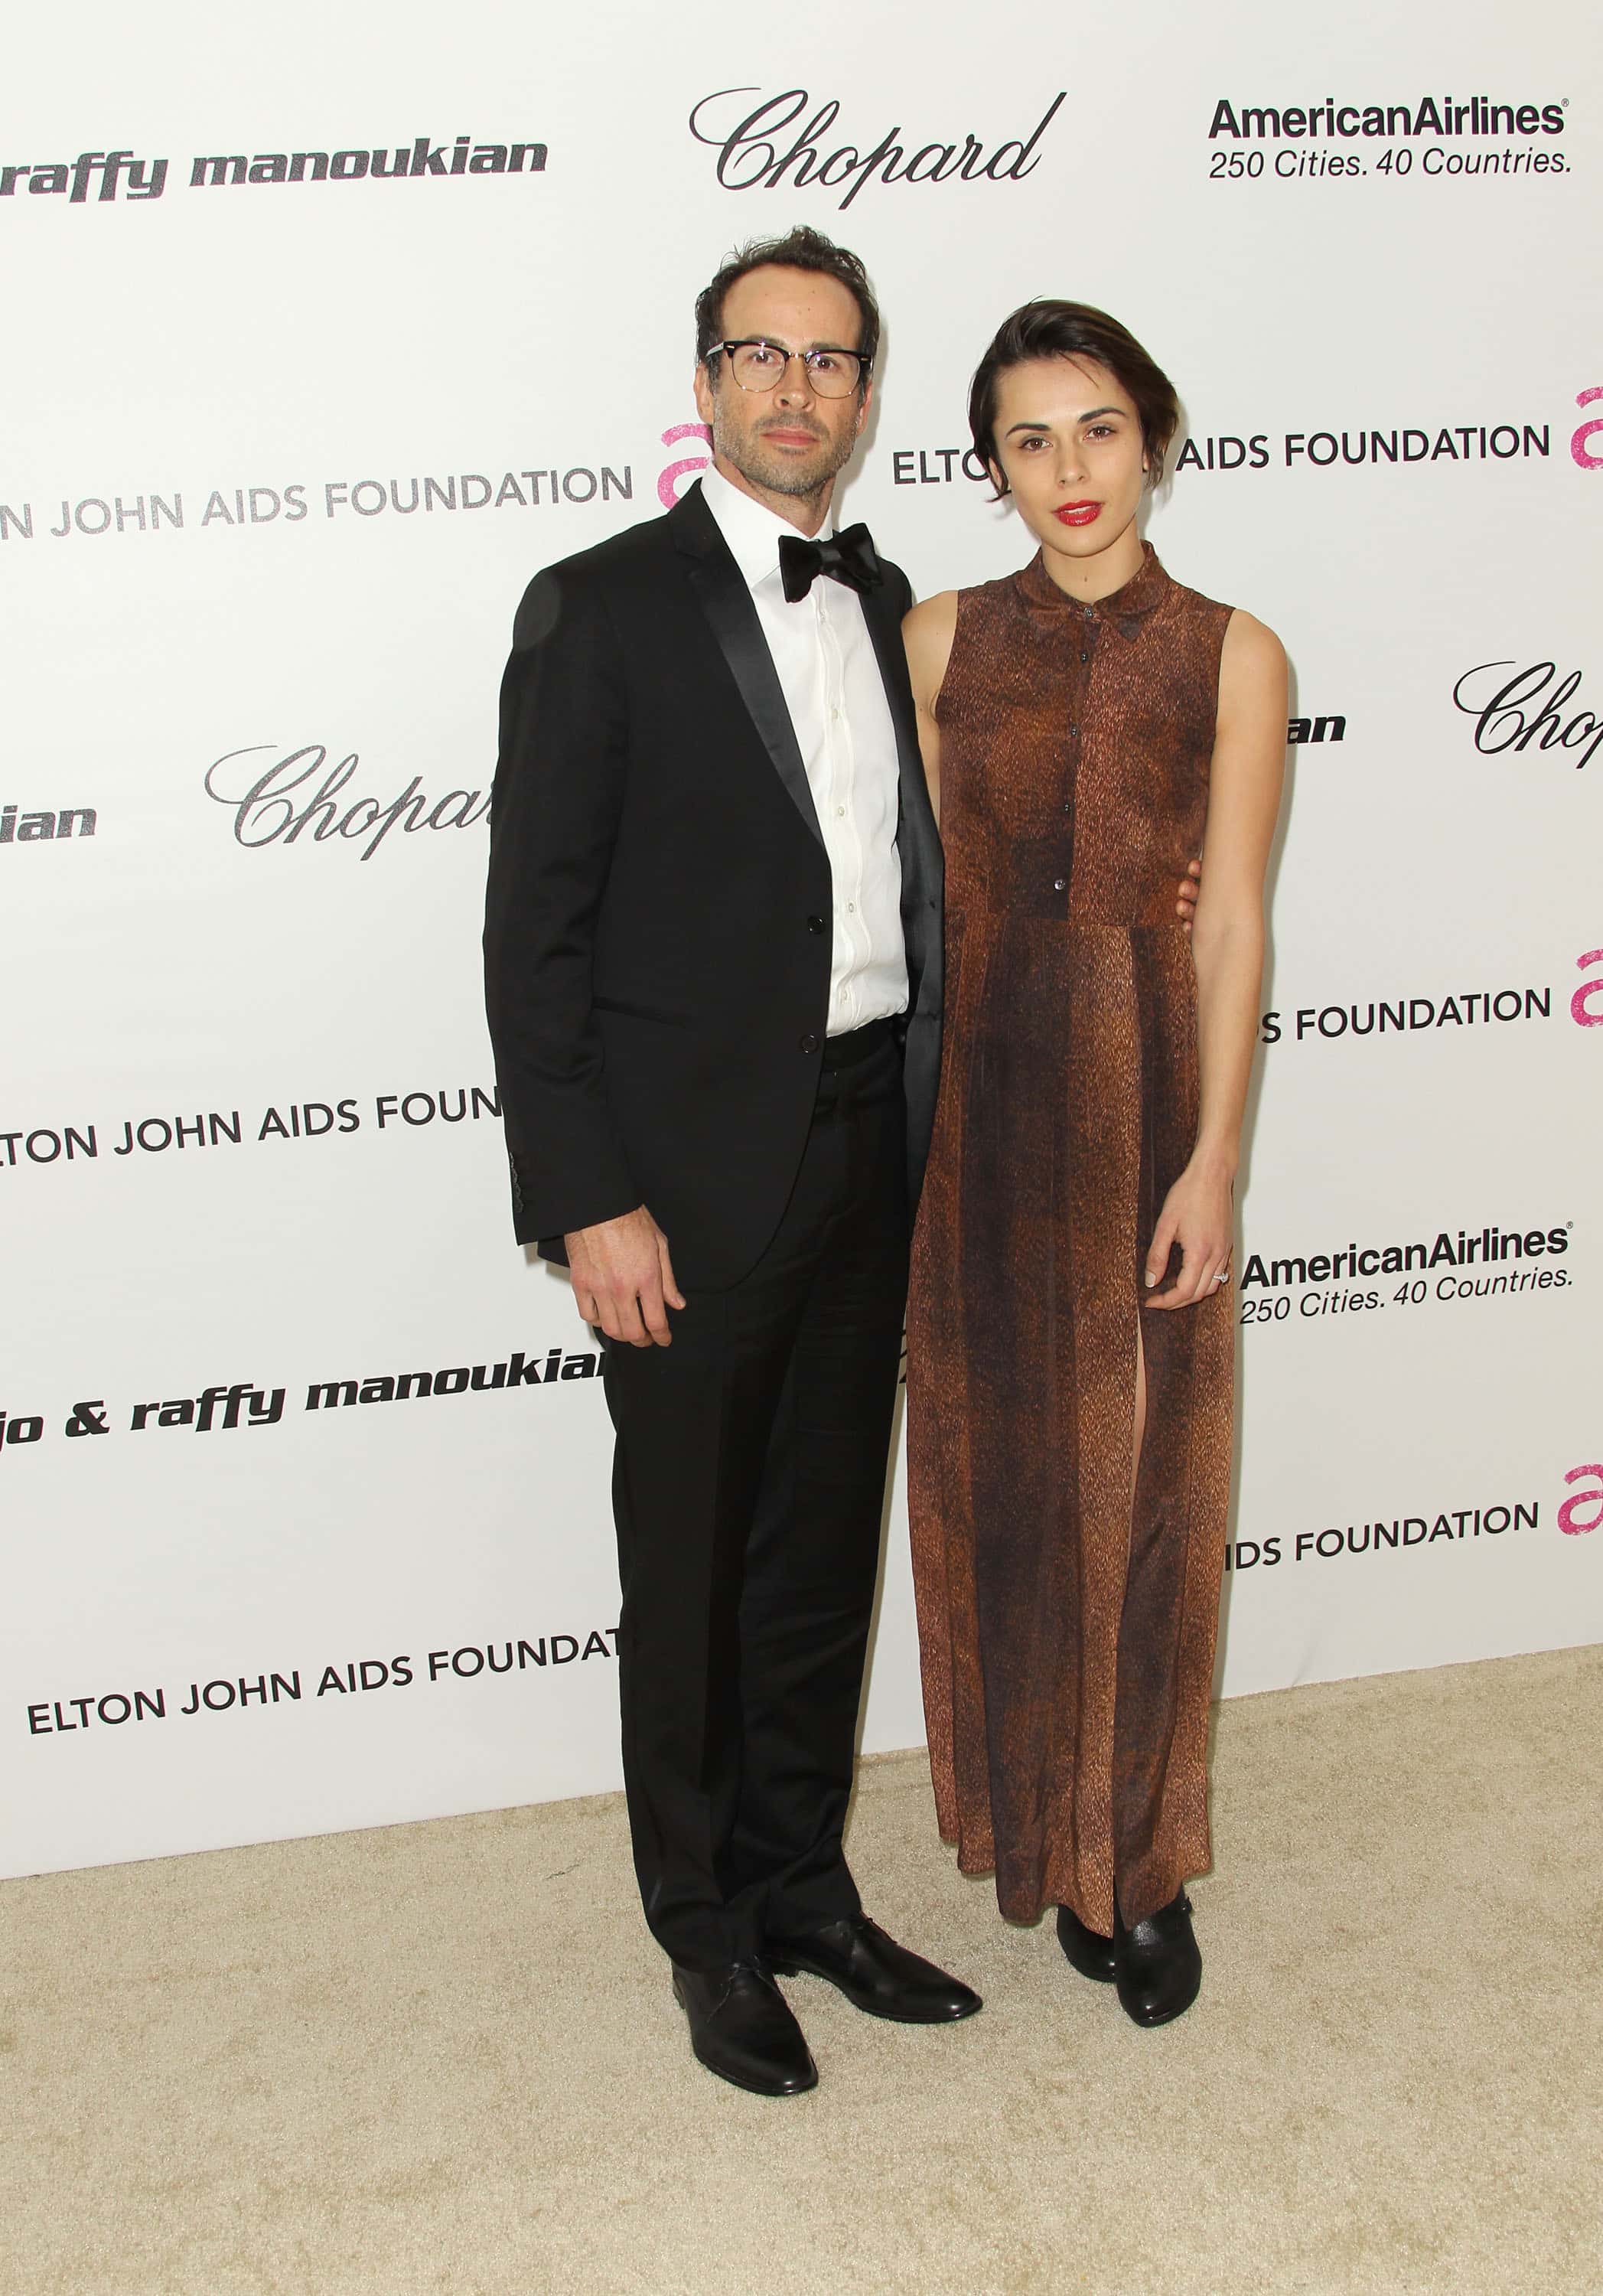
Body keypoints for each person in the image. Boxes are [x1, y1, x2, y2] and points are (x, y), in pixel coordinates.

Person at [483, 227, 981, 2099]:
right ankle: (704, 1935)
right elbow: (533, 933)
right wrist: (585, 1194)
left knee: (812, 1565)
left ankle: (803, 1889)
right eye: (758, 355)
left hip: (869, 1139)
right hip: (680, 1184)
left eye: (831, 359)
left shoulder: (885, 596)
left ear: (865, 394)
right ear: (703, 386)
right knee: (688, 1574)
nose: (795, 388)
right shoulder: (597, 606)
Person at [902, 301, 1286, 2028]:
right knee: (1004, 1485)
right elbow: (895, 900)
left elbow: (1238, 924)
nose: (1069, 470)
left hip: (1144, 1094)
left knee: (1154, 1501)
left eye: (1099, 429)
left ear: (1156, 437)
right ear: (989, 465)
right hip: (973, 1109)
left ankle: (1137, 1865)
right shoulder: (931, 640)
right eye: (1029, 439)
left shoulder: (1233, 651)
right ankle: (1029, 1831)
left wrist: (1215, 1162)